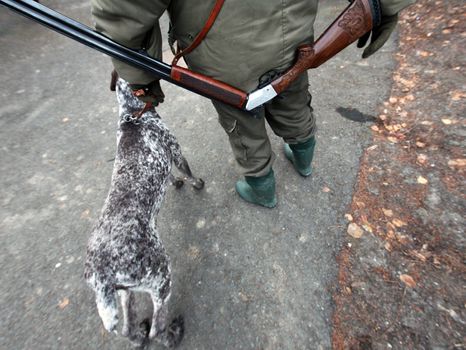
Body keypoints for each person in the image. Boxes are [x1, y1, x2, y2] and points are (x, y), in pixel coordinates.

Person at [91, 0, 414, 208]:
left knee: (242, 123)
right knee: (293, 100)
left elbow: (124, 14)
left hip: (224, 55)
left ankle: (261, 188)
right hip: (295, 37)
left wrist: (139, 77)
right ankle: (303, 159)